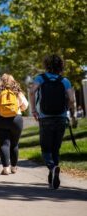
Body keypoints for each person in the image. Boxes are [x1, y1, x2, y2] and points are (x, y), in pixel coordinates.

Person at [29, 54, 76, 189]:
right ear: (61, 65)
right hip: (60, 118)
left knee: (45, 148)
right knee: (56, 148)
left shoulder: (40, 78)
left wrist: (33, 110)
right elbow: (72, 99)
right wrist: (67, 109)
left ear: (46, 65)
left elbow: (32, 92)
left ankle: (52, 167)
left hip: (45, 117)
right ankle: (53, 173)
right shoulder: (64, 80)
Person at [0, 74, 28, 175]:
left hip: (0, 119)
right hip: (16, 119)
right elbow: (25, 105)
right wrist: (18, 108)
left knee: (4, 144)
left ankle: (6, 168)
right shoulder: (17, 92)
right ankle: (14, 167)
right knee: (14, 144)